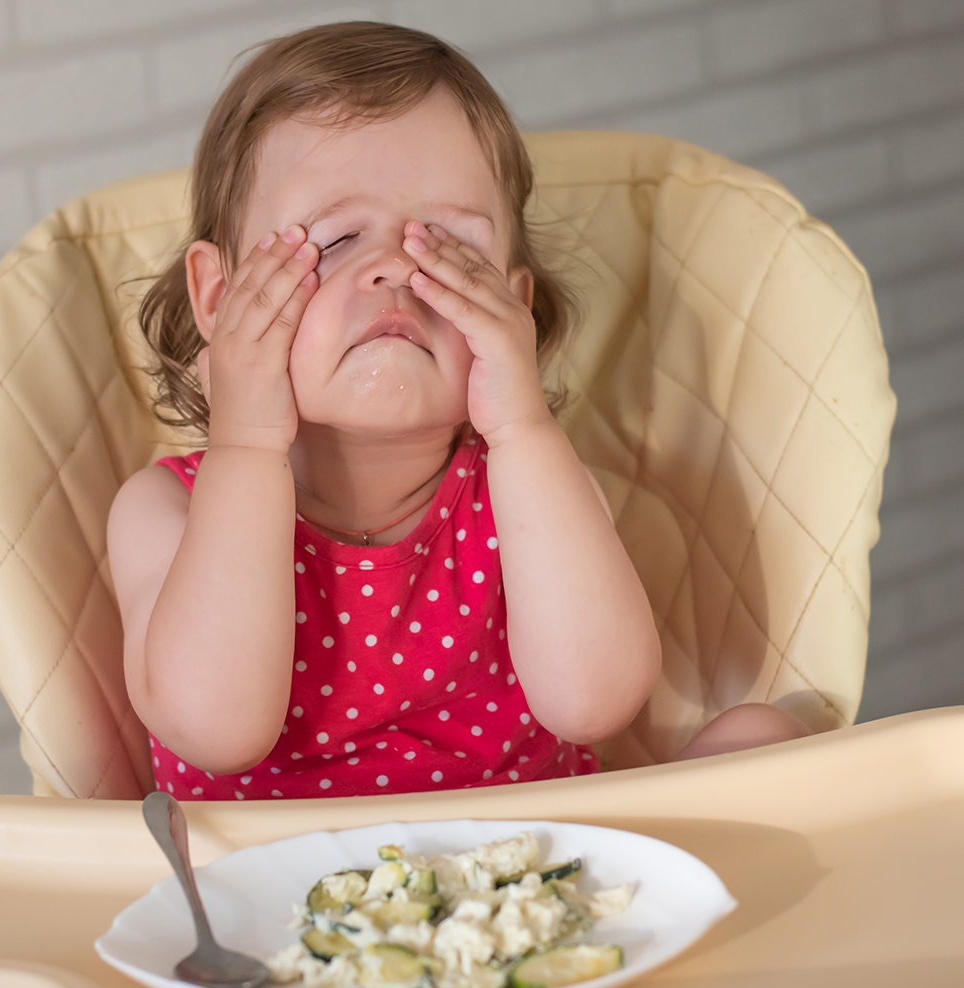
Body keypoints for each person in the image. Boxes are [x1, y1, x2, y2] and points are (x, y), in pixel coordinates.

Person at [107, 22, 807, 801]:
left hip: (521, 881)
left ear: (512, 309)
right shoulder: (165, 507)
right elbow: (216, 727)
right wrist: (244, 444)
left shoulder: (525, 488)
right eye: (334, 241)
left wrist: (521, 427)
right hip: (269, 903)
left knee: (767, 739)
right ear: (219, 296)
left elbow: (596, 705)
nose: (398, 270)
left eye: (451, 249)